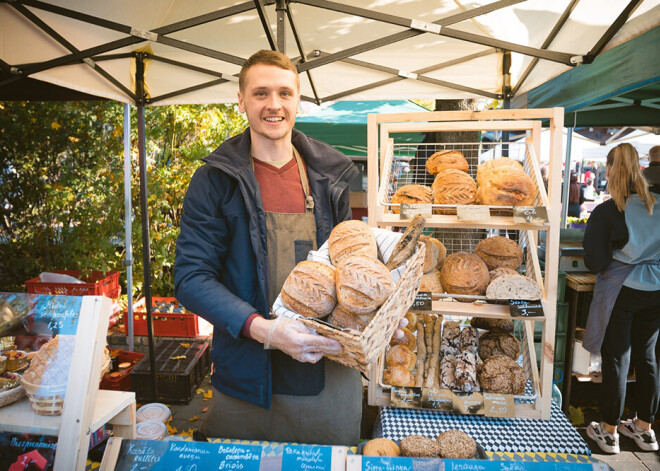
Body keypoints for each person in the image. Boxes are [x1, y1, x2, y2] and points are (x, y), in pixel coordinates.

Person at [173, 50, 363, 445]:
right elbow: (191, 278)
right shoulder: (214, 181)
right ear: (241, 100)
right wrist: (266, 331)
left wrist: (375, 314)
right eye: (261, 93)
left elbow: (352, 265)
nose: (273, 105)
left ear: (298, 100)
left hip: (327, 373)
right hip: (247, 378)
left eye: (284, 93)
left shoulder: (332, 176)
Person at [582, 143, 660, 454]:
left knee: (617, 356)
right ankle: (644, 429)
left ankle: (610, 430)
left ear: (612, 168)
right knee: (648, 355)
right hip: (656, 289)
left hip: (623, 290)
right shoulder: (655, 203)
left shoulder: (608, 210)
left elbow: (596, 261)